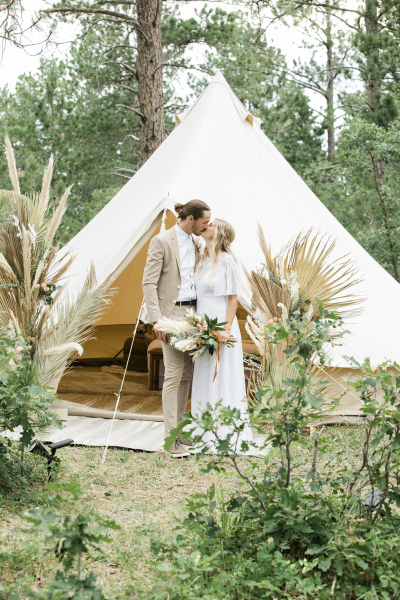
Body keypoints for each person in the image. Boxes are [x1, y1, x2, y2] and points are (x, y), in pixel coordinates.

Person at [142, 200, 211, 458]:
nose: (206, 227)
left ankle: (180, 433)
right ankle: (171, 440)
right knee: (173, 375)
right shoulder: (161, 241)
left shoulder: (196, 242)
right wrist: (157, 319)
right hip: (170, 315)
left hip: (193, 313)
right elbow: (148, 283)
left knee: (186, 375)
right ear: (191, 218)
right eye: (204, 222)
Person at [191, 218, 253, 452]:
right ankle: (204, 429)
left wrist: (226, 329)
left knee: (221, 373)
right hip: (202, 324)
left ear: (220, 234)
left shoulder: (227, 261)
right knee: (204, 372)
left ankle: (225, 430)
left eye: (213, 224)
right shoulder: (202, 258)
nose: (206, 225)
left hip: (221, 323)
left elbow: (233, 298)